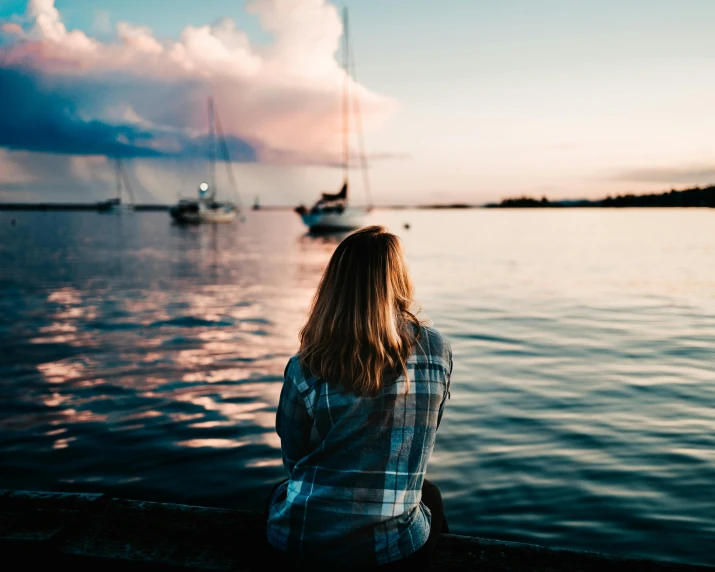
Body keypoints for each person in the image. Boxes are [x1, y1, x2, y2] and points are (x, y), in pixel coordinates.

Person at [265, 225, 452, 570]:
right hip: (390, 551)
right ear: (398, 278)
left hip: (301, 542)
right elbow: (425, 434)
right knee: (432, 498)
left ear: (334, 285)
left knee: (280, 494)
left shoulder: (306, 363)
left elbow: (294, 459)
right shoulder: (436, 349)